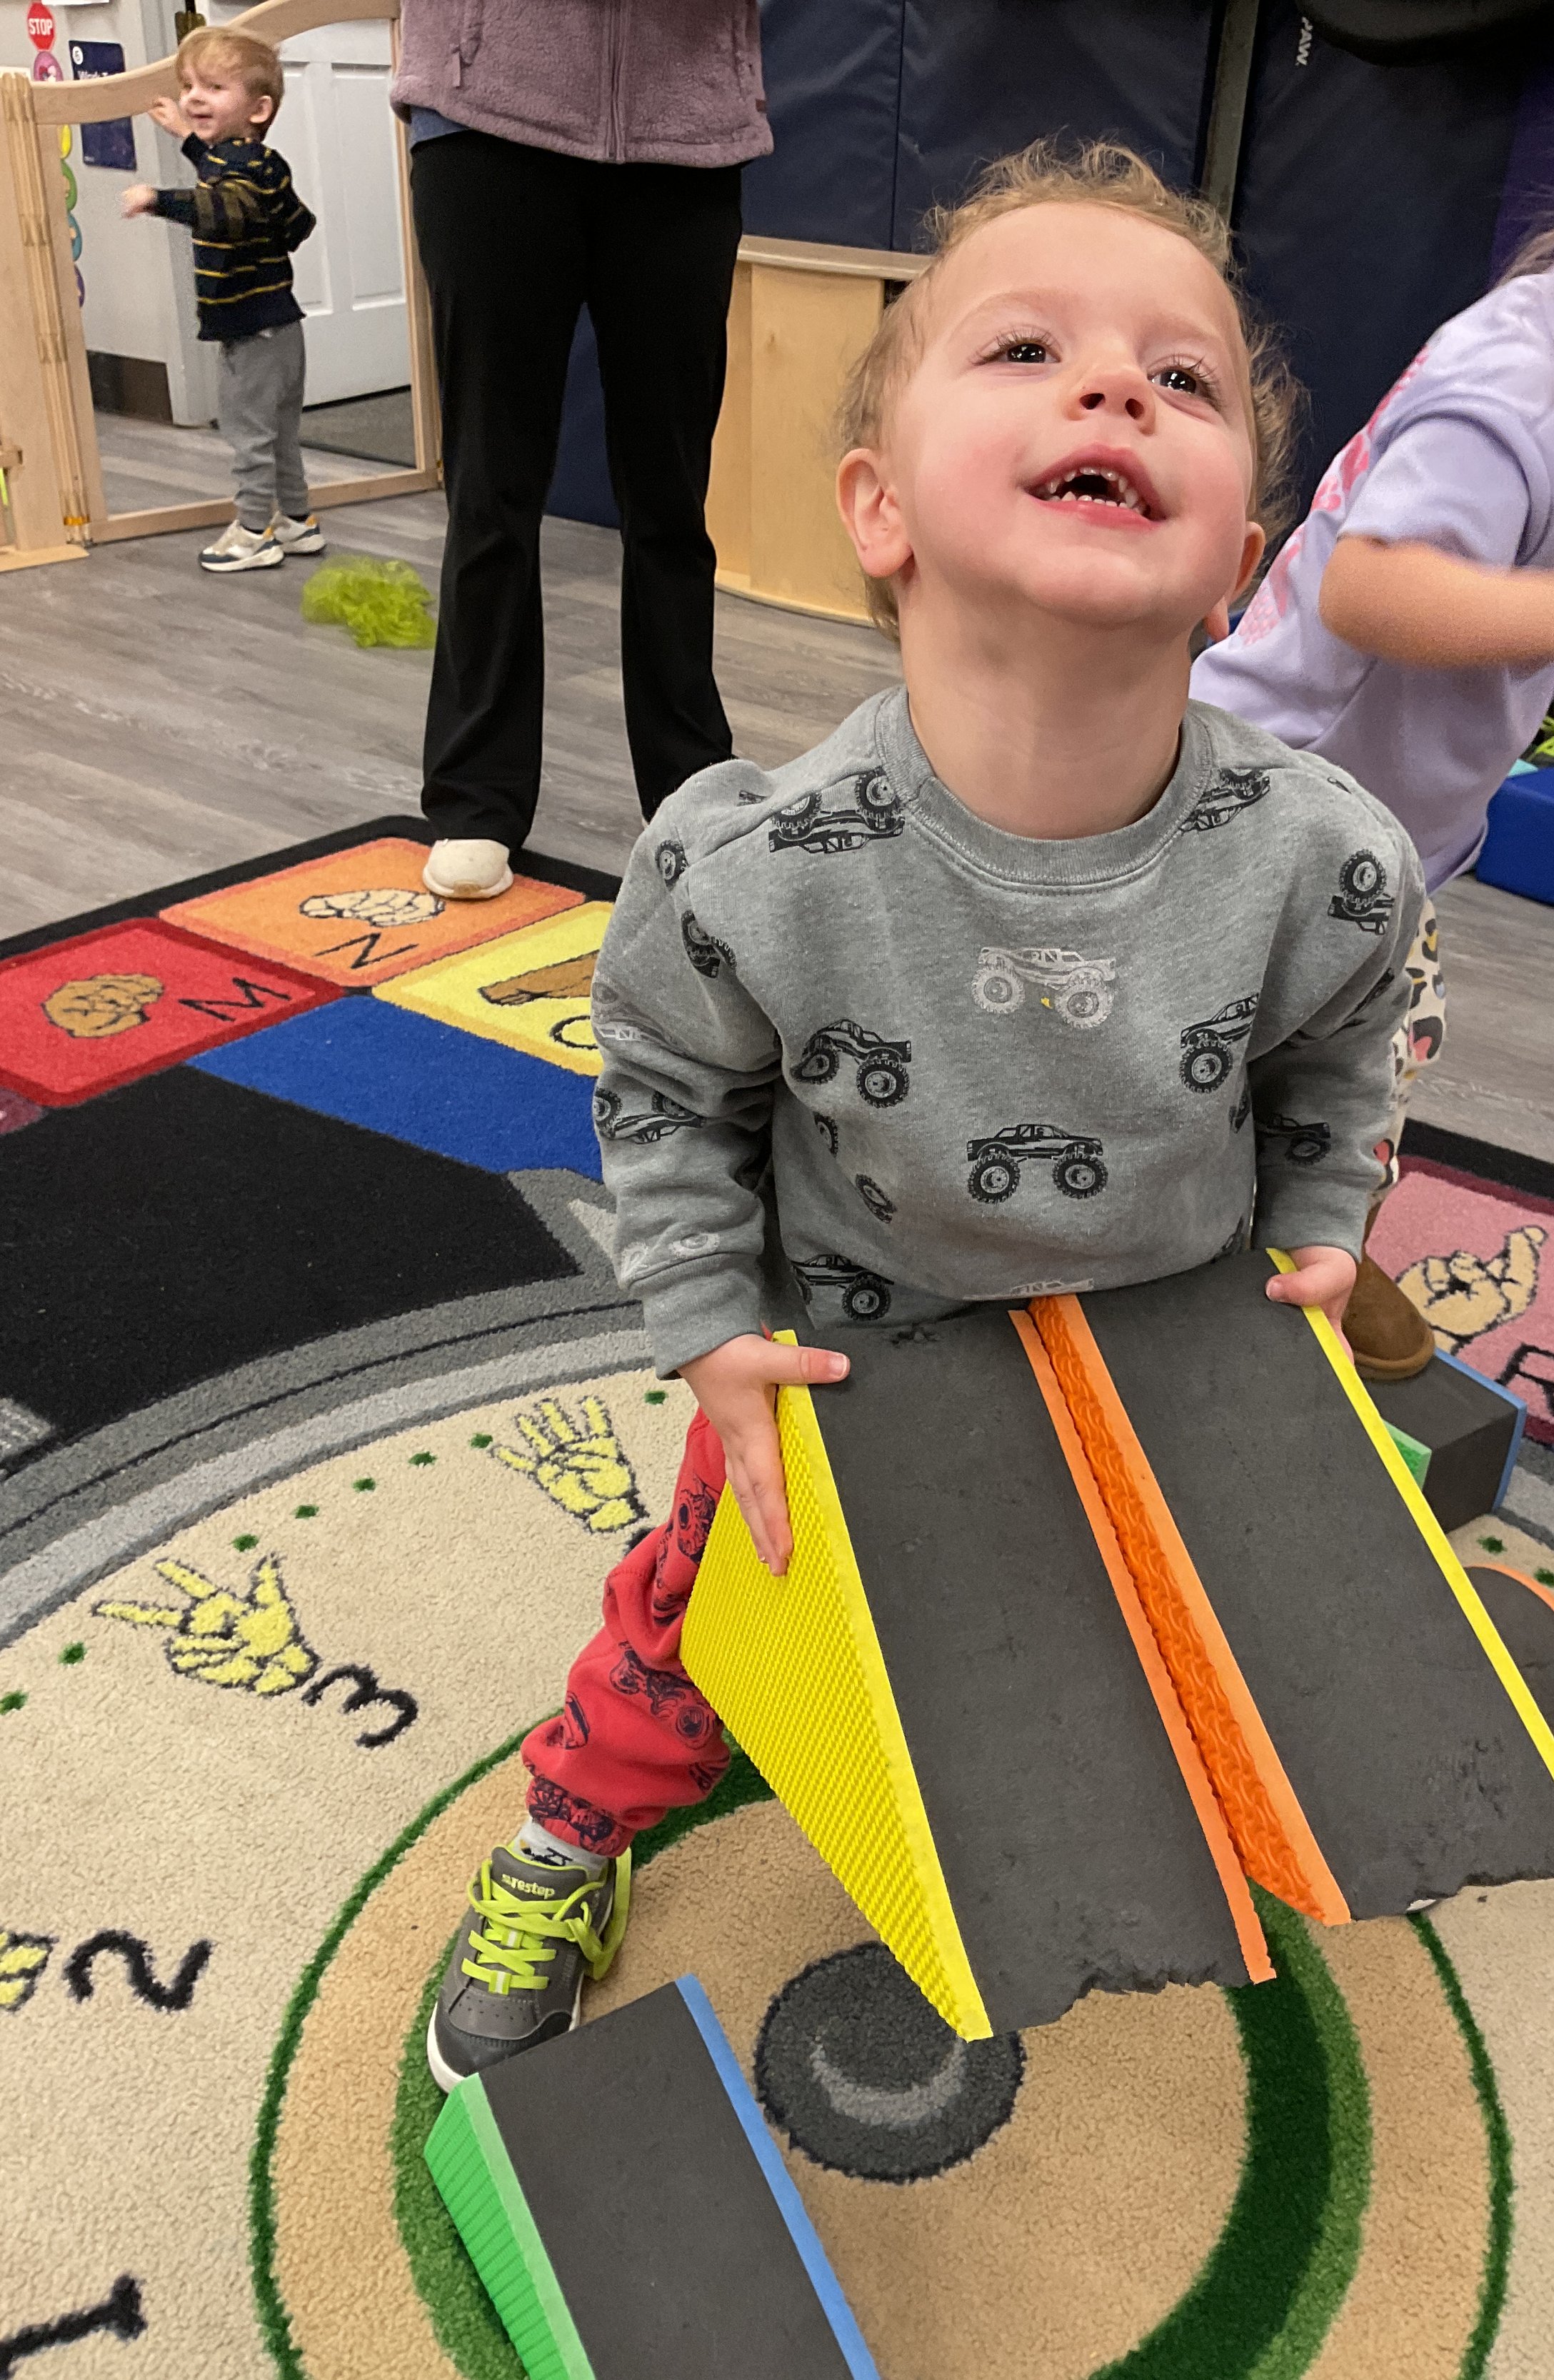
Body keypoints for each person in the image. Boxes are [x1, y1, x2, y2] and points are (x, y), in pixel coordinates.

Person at [423, 141, 1425, 2090]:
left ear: (1238, 557)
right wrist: (709, 1329)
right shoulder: (759, 861)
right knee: (697, 1623)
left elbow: (1346, 1041)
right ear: (876, 508)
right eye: (1028, 349)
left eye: (1183, 377)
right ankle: (569, 1829)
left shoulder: (1326, 858)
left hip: (1163, 1337)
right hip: (849, 1339)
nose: (1115, 385)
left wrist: (1323, 1217)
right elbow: (664, 1090)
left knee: (1094, 1639)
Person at [1191, 9, 1554, 1378]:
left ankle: (1306, 1228)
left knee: (1361, 1052)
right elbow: (1369, 589)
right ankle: (1248, 1239)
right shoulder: (1507, 404)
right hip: (1265, 810)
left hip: (1368, 835)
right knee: (1282, 1045)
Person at [388, 1, 771, 903]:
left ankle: (689, 782)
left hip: (686, 129)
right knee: (490, 487)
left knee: (671, 497)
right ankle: (475, 797)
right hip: (486, 114)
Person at [122, 29, 325, 576]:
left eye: (214, 87)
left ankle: (254, 532)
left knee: (249, 435)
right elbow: (246, 187)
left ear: (259, 110)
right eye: (189, 85)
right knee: (279, 433)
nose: (193, 97)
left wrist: (157, 199)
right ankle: (297, 520)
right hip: (279, 325)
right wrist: (187, 137)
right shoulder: (262, 162)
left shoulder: (242, 176)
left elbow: (222, 208)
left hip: (252, 330)